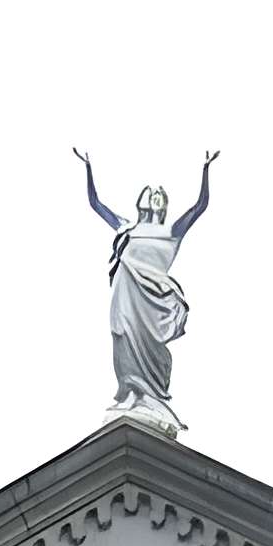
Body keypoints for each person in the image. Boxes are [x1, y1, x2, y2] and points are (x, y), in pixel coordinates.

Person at [76, 149, 217, 430]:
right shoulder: (125, 228)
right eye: (149, 193)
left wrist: (205, 170)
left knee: (149, 346)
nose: (153, 195)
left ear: (163, 205)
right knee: (122, 338)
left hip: (153, 303)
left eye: (158, 195)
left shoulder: (171, 233)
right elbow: (95, 204)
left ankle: (149, 397)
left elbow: (200, 206)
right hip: (125, 296)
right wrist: (88, 167)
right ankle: (130, 394)